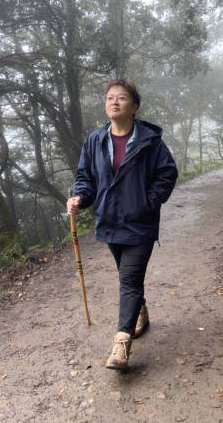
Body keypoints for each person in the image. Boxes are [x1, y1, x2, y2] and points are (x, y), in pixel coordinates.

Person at [66, 79, 178, 370]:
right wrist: (79, 197)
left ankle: (121, 344)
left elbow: (167, 173)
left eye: (122, 98)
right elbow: (85, 178)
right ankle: (140, 309)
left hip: (140, 224)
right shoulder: (95, 141)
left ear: (135, 107)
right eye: (109, 98)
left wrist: (148, 202)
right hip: (109, 222)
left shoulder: (150, 142)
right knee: (127, 277)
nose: (114, 102)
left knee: (129, 279)